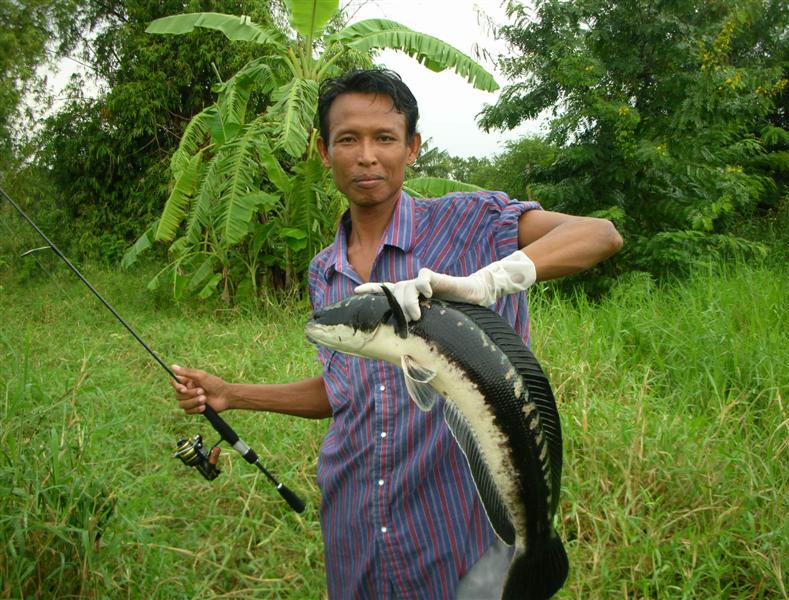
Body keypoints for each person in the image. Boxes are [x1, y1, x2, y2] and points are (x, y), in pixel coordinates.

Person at [171, 69, 623, 599]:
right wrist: (233, 394)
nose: (366, 155)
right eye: (348, 139)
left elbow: (599, 235)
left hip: (458, 532)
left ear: (412, 148)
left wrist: (489, 280)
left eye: (384, 138)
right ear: (323, 150)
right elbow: (346, 393)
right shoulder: (326, 270)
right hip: (356, 525)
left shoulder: (471, 223)